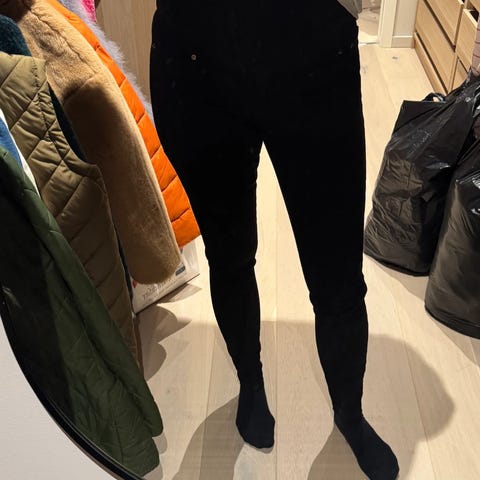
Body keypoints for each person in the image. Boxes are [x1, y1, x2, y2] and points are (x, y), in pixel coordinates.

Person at [149, 1, 399, 478]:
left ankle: (350, 413)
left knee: (338, 278)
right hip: (196, 57)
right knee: (229, 255)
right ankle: (251, 381)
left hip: (312, 43)